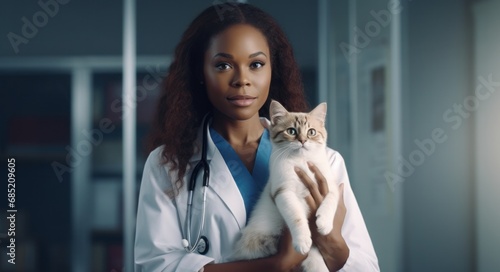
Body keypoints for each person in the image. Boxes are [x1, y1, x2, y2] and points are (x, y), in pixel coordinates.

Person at [134, 3, 379, 272]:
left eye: (256, 64)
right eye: (223, 64)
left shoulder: (327, 162)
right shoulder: (168, 164)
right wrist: (277, 264)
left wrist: (333, 244)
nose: (242, 80)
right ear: (200, 73)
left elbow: (365, 266)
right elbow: (155, 267)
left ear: (273, 70)